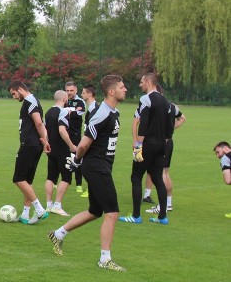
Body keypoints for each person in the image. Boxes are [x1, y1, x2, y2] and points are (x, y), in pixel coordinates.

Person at [48, 74, 128, 271]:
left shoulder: (113, 113)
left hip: (100, 166)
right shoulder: (102, 114)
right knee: (112, 212)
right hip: (96, 167)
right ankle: (105, 259)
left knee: (95, 211)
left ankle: (58, 234)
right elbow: (84, 143)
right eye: (122, 87)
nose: (125, 90)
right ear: (111, 91)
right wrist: (77, 160)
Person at [119, 73, 169, 225]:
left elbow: (144, 124)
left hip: (148, 144)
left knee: (136, 177)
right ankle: (162, 217)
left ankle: (135, 216)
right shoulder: (165, 100)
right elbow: (170, 125)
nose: (140, 85)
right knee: (158, 179)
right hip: (161, 145)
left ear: (148, 82)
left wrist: (138, 146)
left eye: (141, 82)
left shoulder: (145, 99)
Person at [8, 81, 51, 224]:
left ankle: (39, 209)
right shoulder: (31, 101)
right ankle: (25, 214)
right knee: (27, 181)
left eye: (14, 93)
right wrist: (45, 141)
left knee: (18, 179)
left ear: (20, 89)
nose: (14, 97)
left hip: (29, 145)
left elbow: (39, 122)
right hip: (34, 144)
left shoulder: (30, 101)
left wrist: (45, 140)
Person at [145, 95, 185, 215]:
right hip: (169, 141)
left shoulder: (158, 105)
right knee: (165, 172)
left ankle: (164, 206)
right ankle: (168, 203)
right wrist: (170, 130)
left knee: (160, 173)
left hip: (161, 142)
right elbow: (182, 118)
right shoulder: (171, 105)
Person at [44, 90, 77, 217]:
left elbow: (44, 131)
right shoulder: (63, 111)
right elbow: (62, 130)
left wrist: (46, 144)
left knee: (51, 177)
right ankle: (57, 205)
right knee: (66, 177)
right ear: (64, 99)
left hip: (51, 148)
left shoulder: (48, 112)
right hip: (62, 149)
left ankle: (48, 205)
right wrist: (72, 146)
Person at [64, 81, 86, 194]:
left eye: (71, 90)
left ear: (76, 90)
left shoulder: (80, 101)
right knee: (63, 157)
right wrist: (72, 111)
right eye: (67, 90)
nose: (69, 93)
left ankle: (79, 184)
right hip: (63, 134)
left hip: (76, 135)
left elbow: (80, 113)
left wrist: (68, 112)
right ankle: (62, 181)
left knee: (77, 159)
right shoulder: (64, 100)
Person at [79, 84, 98, 199]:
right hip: (88, 141)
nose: (81, 94)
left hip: (93, 145)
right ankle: (91, 189)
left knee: (90, 167)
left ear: (90, 94)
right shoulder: (90, 108)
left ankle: (91, 190)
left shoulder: (95, 109)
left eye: (84, 92)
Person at [213, 141, 231, 218]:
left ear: (225, 148)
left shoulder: (225, 158)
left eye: (218, 152)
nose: (217, 155)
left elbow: (228, 181)